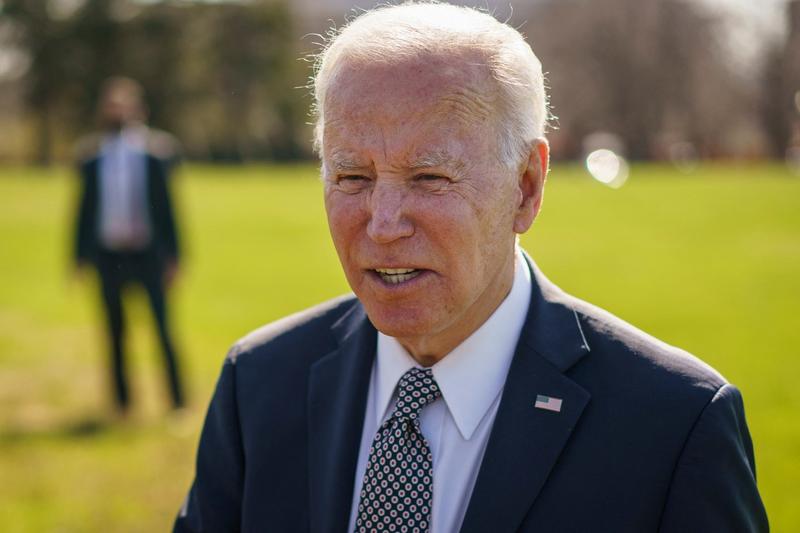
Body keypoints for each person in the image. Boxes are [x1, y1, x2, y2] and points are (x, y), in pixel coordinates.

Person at [174, 3, 767, 531]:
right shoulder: (258, 384)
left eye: (429, 178)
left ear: (527, 187)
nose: (382, 224)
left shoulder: (673, 425)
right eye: (352, 177)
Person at [73, 77, 185, 414]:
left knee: (162, 330)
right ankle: (122, 404)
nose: (118, 111)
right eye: (112, 105)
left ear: (138, 109)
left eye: (124, 104)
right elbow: (83, 210)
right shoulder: (92, 157)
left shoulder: (155, 154)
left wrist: (175, 256)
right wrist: (78, 256)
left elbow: (168, 208)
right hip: (108, 256)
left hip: (147, 254)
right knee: (114, 332)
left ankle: (176, 401)